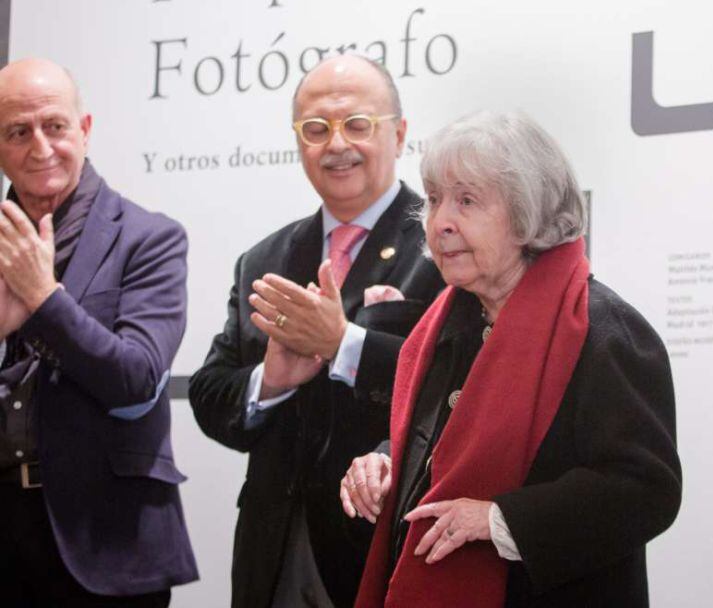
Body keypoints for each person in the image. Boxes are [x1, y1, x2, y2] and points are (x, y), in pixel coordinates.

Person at [339, 110, 681, 608]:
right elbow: (439, 445)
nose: (441, 222)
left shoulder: (604, 329)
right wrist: (385, 463)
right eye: (435, 200)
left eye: (467, 201)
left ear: (527, 212)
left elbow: (646, 489)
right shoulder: (446, 324)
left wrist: (498, 520)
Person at [188, 55, 444, 608]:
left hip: (382, 545)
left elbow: (454, 385)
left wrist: (345, 345)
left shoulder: (443, 245)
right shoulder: (266, 257)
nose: (336, 145)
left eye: (357, 124)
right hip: (274, 549)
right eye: (315, 129)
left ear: (399, 134)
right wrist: (271, 380)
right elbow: (210, 395)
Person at [0, 58, 197, 606]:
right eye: (18, 132)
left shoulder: (149, 238)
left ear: (83, 130)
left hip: (107, 542)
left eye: (55, 126)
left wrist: (42, 301)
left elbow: (135, 378)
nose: (40, 147)